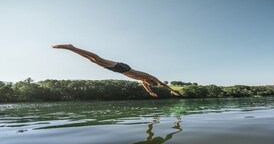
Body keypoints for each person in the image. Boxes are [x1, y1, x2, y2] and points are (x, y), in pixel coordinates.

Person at [52, 44, 180, 97]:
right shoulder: (149, 76)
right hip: (123, 67)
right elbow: (162, 84)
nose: (150, 84)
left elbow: (147, 88)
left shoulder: (143, 81)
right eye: (151, 83)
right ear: (152, 81)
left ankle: (72, 49)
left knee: (93, 61)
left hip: (118, 70)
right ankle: (70, 47)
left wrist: (151, 93)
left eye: (151, 85)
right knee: (97, 58)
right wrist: (173, 91)